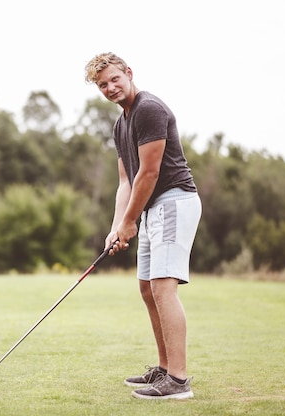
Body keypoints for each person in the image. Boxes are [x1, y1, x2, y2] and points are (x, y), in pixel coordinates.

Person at [84, 52, 202, 400]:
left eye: (114, 79)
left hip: (173, 200)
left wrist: (130, 221)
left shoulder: (149, 109)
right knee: (147, 289)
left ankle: (178, 382)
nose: (110, 87)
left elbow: (149, 173)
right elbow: (126, 181)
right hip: (152, 207)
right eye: (102, 84)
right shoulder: (121, 124)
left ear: (129, 73)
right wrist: (116, 226)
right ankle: (165, 369)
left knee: (164, 288)